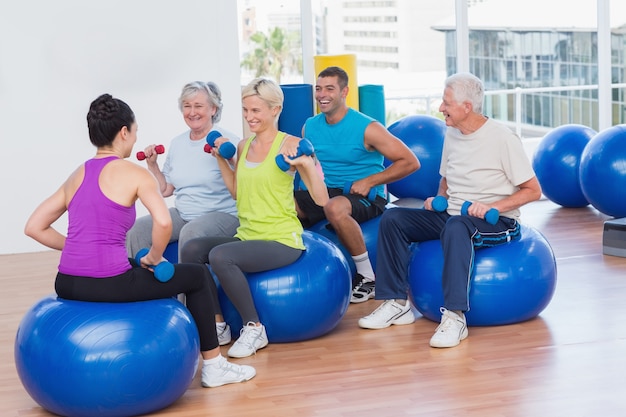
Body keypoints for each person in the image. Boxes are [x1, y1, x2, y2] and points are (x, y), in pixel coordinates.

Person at [24, 93, 256, 388]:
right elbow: (162, 221)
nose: (135, 138)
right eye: (134, 131)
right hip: (108, 282)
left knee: (136, 264)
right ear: (124, 132)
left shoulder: (77, 173)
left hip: (67, 282)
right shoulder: (134, 174)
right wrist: (157, 256)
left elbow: (34, 227)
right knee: (195, 275)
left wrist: (74, 246)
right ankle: (214, 365)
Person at [358, 72, 542, 348]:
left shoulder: (503, 138)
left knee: (457, 227)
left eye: (446, 103)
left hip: (497, 221)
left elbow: (533, 190)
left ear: (467, 107)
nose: (441, 108)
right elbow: (447, 177)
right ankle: (397, 302)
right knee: (393, 218)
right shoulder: (452, 133)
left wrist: (494, 206)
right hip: (453, 214)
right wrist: (438, 197)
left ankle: (455, 317)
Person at [180, 78, 329, 359]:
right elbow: (237, 192)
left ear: (276, 109)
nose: (249, 117)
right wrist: (220, 160)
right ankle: (218, 324)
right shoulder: (243, 145)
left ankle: (254, 327)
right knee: (192, 249)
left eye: (256, 111)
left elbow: (322, 200)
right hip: (248, 235)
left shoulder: (293, 145)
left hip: (281, 239)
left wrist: (306, 164)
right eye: (246, 110)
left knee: (221, 256)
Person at [294, 66, 420, 304]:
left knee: (334, 208)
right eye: (319, 89)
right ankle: (298, 270)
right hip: (327, 191)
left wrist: (370, 180)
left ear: (344, 92)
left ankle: (367, 276)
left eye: (330, 89)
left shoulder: (367, 127)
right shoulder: (309, 126)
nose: (322, 95)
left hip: (366, 194)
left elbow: (411, 162)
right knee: (283, 203)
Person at [126, 81, 240, 263]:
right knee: (136, 230)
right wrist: (153, 165)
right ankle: (143, 289)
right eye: (187, 106)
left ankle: (185, 291)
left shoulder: (229, 142)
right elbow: (165, 190)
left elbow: (241, 187)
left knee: (191, 232)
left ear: (213, 109)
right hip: (183, 214)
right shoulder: (177, 143)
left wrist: (228, 158)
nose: (192, 112)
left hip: (223, 215)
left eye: (198, 106)